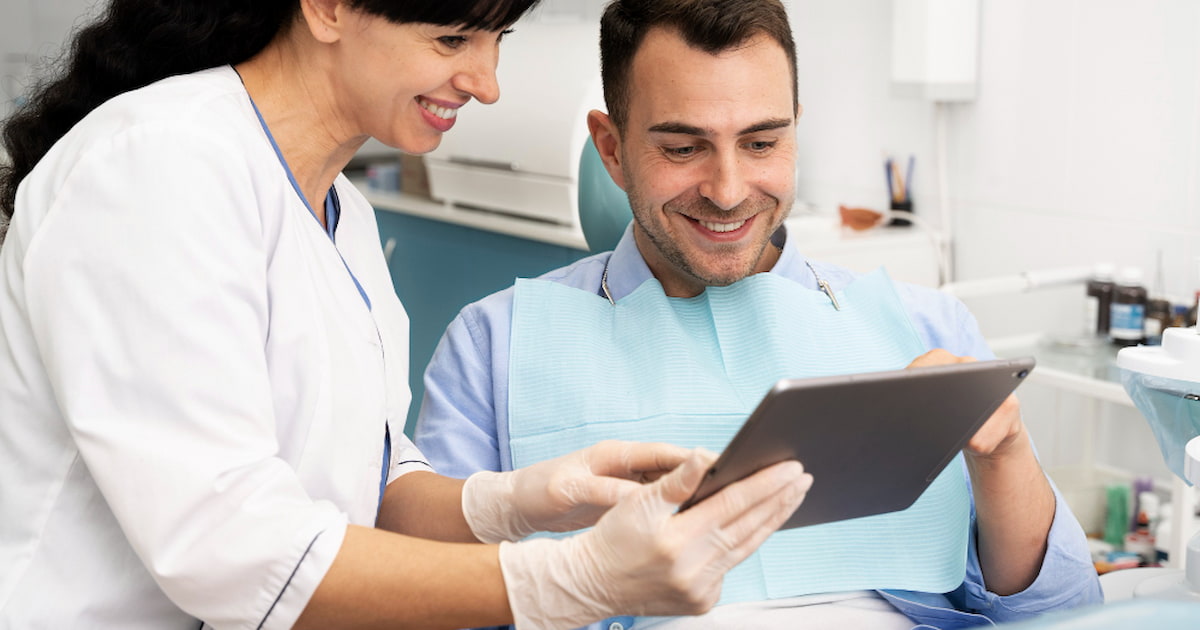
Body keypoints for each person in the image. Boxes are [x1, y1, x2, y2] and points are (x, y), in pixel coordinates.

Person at [0, 1, 815, 628]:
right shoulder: (156, 165)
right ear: (326, 8)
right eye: (452, 40)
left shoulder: (342, 215)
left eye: (497, 42)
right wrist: (565, 580)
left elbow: (366, 475)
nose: (486, 83)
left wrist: (517, 502)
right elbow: (226, 545)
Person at [414, 0, 1104, 628]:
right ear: (613, 148)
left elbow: (1062, 612)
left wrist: (1005, 457)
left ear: (795, 133)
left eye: (762, 143)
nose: (729, 190)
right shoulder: (496, 346)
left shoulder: (927, 329)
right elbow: (425, 601)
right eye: (683, 148)